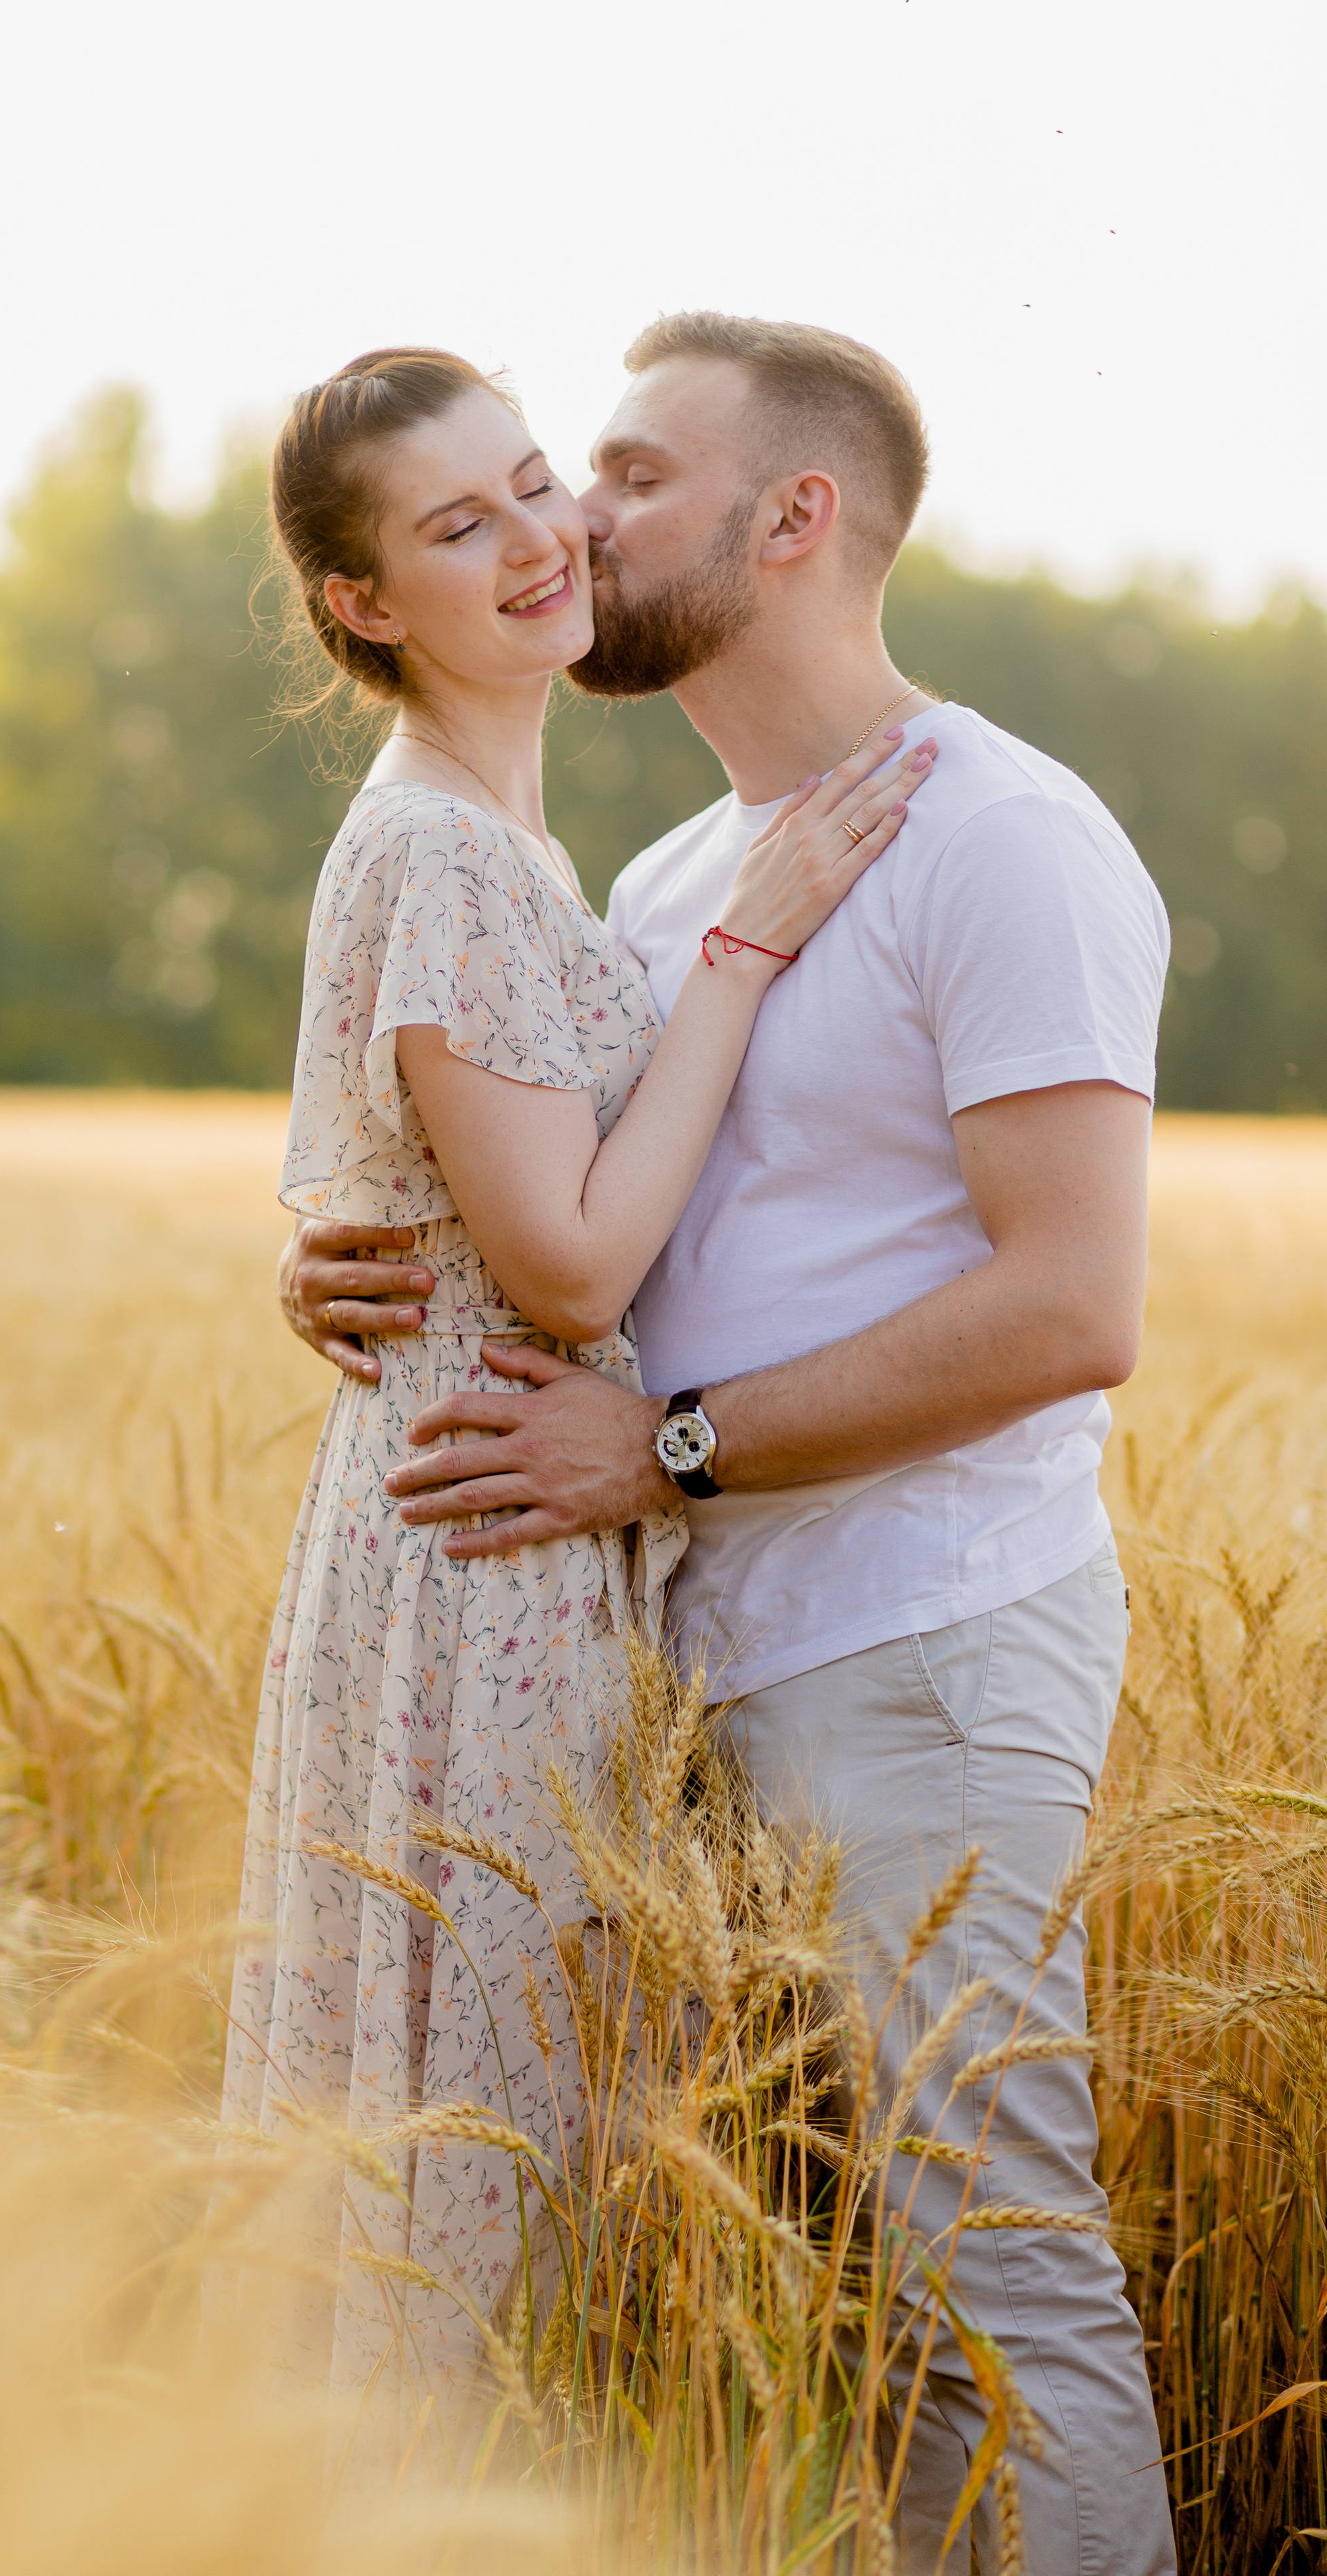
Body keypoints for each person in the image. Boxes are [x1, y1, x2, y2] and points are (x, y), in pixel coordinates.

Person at [279, 316, 1176, 2571]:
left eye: (621, 474)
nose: (575, 521)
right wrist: (349, 1262)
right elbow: (549, 1207)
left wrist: (656, 1452)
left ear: (795, 523)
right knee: (803, 2312)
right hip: (660, 1689)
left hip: (920, 1653)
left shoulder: (1009, 841)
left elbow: (1075, 1309)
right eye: (526, 492)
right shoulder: (677, 888)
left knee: (989, 2270)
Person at [223, 343, 936, 2433]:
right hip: (489, 1555)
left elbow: (464, 1201)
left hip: (520, 1528)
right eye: (459, 524)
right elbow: (566, 1263)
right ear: (366, 605)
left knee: (505, 2142)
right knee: (476, 2163)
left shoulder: (513, 850)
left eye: (536, 483)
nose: (539, 538)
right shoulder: (447, 855)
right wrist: (747, 956)